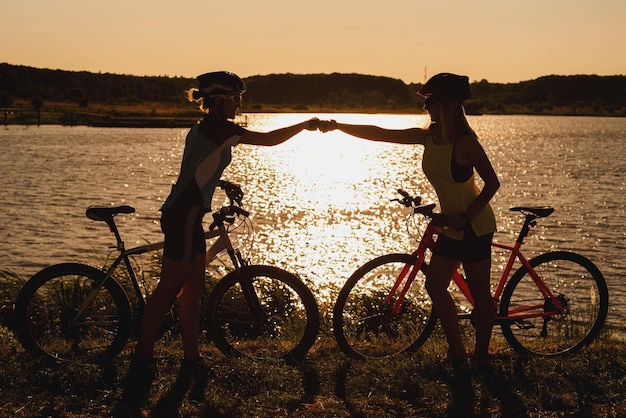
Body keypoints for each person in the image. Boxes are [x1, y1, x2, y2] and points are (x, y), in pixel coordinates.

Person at [117, 71, 319, 410]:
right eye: (237, 96)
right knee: (168, 289)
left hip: (190, 215)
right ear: (221, 98)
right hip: (183, 217)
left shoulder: (207, 128)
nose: (241, 102)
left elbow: (197, 168)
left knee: (194, 290)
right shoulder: (219, 126)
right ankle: (142, 359)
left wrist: (221, 184)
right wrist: (303, 125)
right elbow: (268, 141)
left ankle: (191, 358)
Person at [320, 73, 500, 370]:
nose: (426, 107)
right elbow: (379, 132)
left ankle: (480, 357)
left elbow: (492, 183)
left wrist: (465, 217)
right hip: (450, 225)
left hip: (474, 226)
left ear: (450, 104)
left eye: (430, 101)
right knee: (435, 285)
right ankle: (458, 352)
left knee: (480, 297)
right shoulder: (428, 136)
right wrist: (338, 126)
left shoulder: (466, 143)